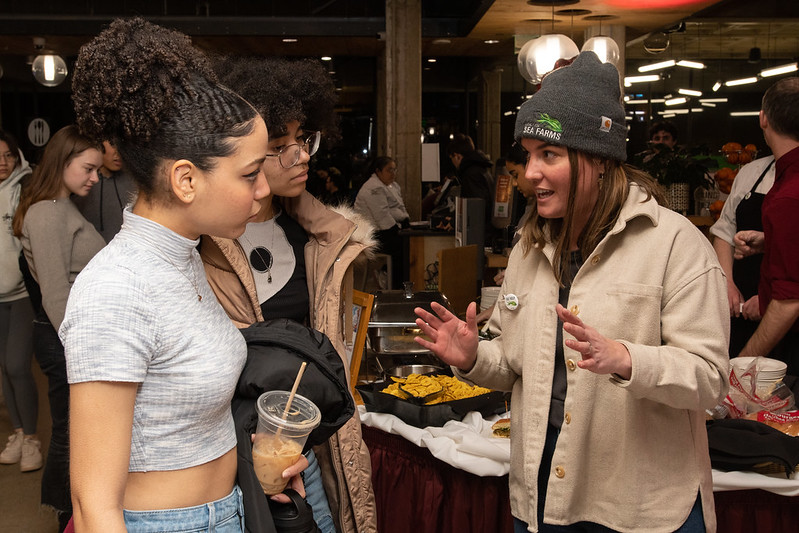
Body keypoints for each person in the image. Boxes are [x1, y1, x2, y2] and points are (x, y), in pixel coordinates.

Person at [413, 52, 729, 533]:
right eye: (527, 155)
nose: (529, 173)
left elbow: (710, 378)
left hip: (638, 507)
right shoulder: (529, 246)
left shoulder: (675, 244)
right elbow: (516, 366)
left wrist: (626, 358)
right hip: (541, 493)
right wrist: (474, 356)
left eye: (548, 155)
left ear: (598, 159)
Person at [60, 18, 273, 532]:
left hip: (225, 510)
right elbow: (93, 506)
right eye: (250, 174)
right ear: (185, 180)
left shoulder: (187, 257)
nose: (264, 189)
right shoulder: (116, 289)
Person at [200, 56, 378, 533]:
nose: (301, 156)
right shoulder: (202, 243)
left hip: (308, 438)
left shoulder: (324, 239)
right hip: (227, 445)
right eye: (280, 146)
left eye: (304, 140)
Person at [12, 125, 105, 530]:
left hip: (70, 336)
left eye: (97, 170)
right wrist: (81, 348)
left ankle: (73, 514)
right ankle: (69, 516)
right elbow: (54, 294)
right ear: (62, 161)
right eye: (88, 168)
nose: (95, 178)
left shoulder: (62, 206)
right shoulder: (46, 213)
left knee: (77, 432)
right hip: (63, 337)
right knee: (71, 434)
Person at [736, 77, 799, 374]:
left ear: (763, 118)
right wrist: (770, 241)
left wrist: (741, 366)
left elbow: (790, 302)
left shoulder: (788, 195)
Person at [0, 129, 41, 473]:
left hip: (22, 294)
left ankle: (31, 439)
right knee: (4, 369)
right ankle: (16, 432)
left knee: (17, 365)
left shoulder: (26, 188)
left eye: (8, 155)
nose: (3, 163)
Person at [709, 155, 775, 357]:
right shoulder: (752, 171)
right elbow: (724, 232)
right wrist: (727, 283)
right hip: (740, 311)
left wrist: (769, 299)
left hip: (784, 313)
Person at [354, 155, 409, 289]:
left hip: (385, 230)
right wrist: (400, 230)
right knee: (403, 245)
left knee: (408, 242)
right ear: (378, 171)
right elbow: (382, 216)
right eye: (389, 170)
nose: (393, 173)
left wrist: (405, 221)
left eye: (394, 170)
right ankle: (395, 285)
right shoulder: (373, 188)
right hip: (372, 235)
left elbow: (398, 209)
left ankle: (397, 280)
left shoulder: (392, 186)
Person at [72, 140, 137, 243]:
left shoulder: (135, 183)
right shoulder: (82, 184)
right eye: (112, 144)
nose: (118, 151)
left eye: (122, 143)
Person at [446, 134, 495, 239]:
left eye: (452, 158)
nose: (453, 163)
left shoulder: (471, 174)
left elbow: (474, 206)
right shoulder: (481, 169)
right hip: (486, 231)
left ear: (457, 156)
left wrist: (455, 223)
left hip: (480, 234)